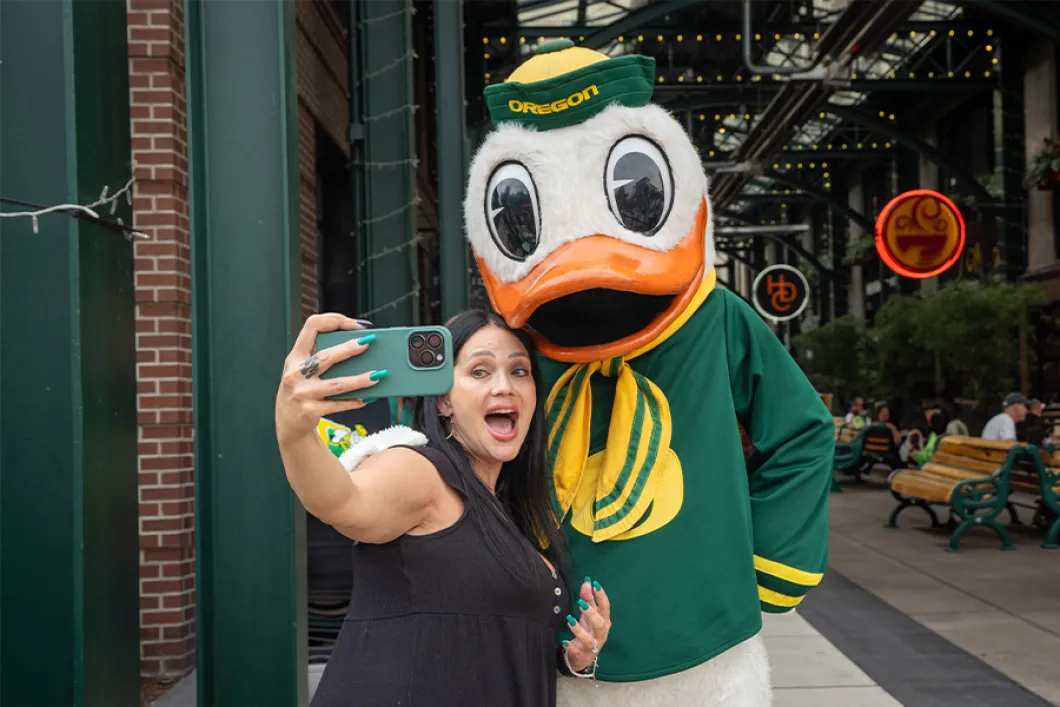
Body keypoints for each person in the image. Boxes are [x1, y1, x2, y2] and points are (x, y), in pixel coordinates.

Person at [275, 311, 612, 706]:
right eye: (480, 371)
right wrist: (294, 429)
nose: (504, 386)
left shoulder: (508, 508)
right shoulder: (421, 471)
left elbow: (488, 645)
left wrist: (571, 658)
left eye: (519, 371)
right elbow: (344, 500)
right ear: (443, 400)